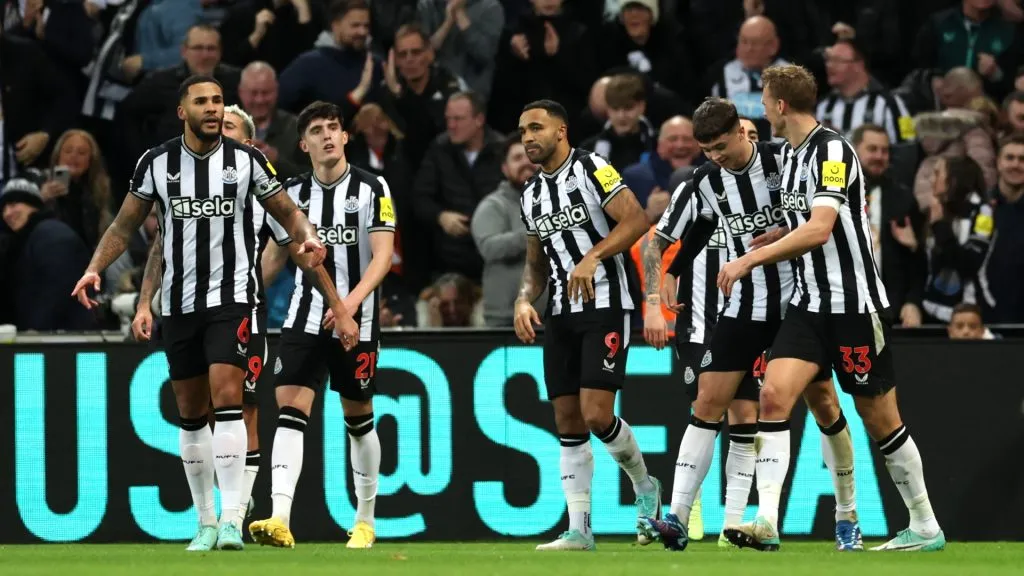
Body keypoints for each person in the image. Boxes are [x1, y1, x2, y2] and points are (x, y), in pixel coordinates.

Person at [71, 75, 358, 552]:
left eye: (218, 100)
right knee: (190, 413)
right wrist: (94, 269)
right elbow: (127, 226)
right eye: (202, 101)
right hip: (179, 304)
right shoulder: (156, 163)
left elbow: (288, 212)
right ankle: (204, 521)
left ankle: (230, 517)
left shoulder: (247, 161)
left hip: (233, 299)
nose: (211, 108)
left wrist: (308, 233)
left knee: (229, 398)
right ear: (182, 110)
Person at [717, 64, 945, 552]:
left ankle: (924, 523)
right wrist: (776, 234)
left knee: (880, 418)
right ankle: (767, 521)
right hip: (809, 305)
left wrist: (749, 258)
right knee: (774, 397)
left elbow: (821, 227)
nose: (761, 108)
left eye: (763, 100)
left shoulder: (833, 151)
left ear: (780, 105)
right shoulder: (792, 155)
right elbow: (807, 221)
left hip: (854, 307)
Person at [639, 98, 859, 552]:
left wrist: (780, 235)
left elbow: (825, 217)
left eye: (720, 146)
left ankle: (846, 516)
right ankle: (678, 517)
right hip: (744, 304)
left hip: (800, 302)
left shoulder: (788, 161)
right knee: (707, 400)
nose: (715, 156)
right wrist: (655, 292)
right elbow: (656, 241)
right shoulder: (702, 182)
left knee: (823, 404)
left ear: (743, 131)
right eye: (707, 150)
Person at [248, 101, 396, 550]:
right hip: (303, 317)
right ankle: (279, 518)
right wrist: (247, 294)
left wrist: (349, 306)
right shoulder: (291, 196)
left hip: (359, 320)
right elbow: (276, 254)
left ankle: (365, 520)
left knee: (359, 421)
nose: (328, 135)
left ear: (346, 137)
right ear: (304, 143)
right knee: (290, 416)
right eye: (318, 130)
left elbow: (384, 255)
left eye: (334, 128)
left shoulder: (374, 187)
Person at [513, 99, 659, 551]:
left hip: (606, 304)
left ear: (561, 130)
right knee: (567, 418)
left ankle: (645, 486)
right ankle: (580, 529)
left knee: (597, 413)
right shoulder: (530, 194)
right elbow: (535, 263)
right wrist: (522, 299)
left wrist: (592, 255)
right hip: (559, 312)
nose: (528, 138)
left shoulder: (594, 168)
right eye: (521, 131)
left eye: (536, 128)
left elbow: (637, 219)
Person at [130, 104, 277, 533]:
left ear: (247, 144)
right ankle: (214, 514)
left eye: (229, 128)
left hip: (239, 305)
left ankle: (238, 505)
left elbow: (285, 241)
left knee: (241, 403)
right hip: (184, 307)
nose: (218, 134)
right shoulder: (181, 182)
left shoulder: (259, 187)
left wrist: (249, 281)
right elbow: (161, 246)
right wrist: (145, 302)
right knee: (201, 410)